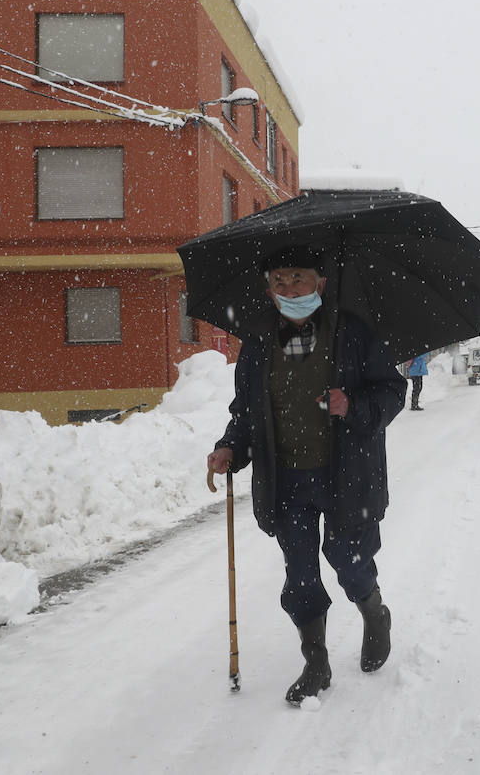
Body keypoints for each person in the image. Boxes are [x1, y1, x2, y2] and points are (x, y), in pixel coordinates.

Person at [206, 245, 406, 707]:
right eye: (278, 281)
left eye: (298, 279)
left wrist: (352, 406)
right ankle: (316, 661)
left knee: (351, 564)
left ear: (320, 283)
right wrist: (230, 447)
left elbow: (392, 390)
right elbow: (248, 411)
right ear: (269, 291)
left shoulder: (353, 333)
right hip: (287, 481)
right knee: (299, 577)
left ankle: (375, 614)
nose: (288, 289)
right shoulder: (257, 345)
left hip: (347, 476)